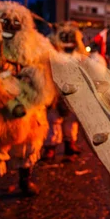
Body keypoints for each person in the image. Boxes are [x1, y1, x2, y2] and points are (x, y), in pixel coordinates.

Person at [0, 1, 55, 219]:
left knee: (29, 147)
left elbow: (50, 64)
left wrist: (33, 76)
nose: (11, 26)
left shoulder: (37, 46)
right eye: (6, 21)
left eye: (17, 22)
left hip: (29, 105)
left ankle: (25, 179)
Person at [42, 21, 86, 161]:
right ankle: (50, 148)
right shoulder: (50, 52)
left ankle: (70, 144)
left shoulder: (79, 53)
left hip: (73, 93)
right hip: (54, 91)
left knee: (71, 121)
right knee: (53, 120)